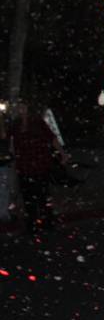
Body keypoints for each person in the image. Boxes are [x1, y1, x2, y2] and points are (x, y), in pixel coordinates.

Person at [12, 100, 66, 235]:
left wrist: (62, 153)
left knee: (42, 195)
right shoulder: (16, 124)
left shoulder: (37, 123)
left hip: (39, 165)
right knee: (28, 197)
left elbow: (51, 138)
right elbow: (12, 142)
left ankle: (47, 222)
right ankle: (32, 224)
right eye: (19, 106)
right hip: (24, 166)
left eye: (23, 106)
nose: (20, 109)